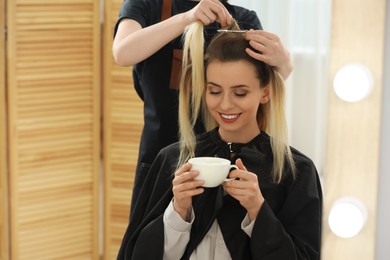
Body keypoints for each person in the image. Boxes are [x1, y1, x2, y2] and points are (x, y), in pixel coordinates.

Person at [116, 20, 322, 260]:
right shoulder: (172, 159)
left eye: (240, 93)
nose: (225, 104)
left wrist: (257, 209)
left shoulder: (296, 171)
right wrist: (179, 211)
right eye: (214, 91)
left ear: (265, 92)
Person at [113, 0, 293, 211]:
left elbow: (264, 83)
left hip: (228, 164)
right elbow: (123, 53)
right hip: (162, 160)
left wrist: (284, 63)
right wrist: (187, 18)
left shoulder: (243, 19)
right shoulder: (145, 5)